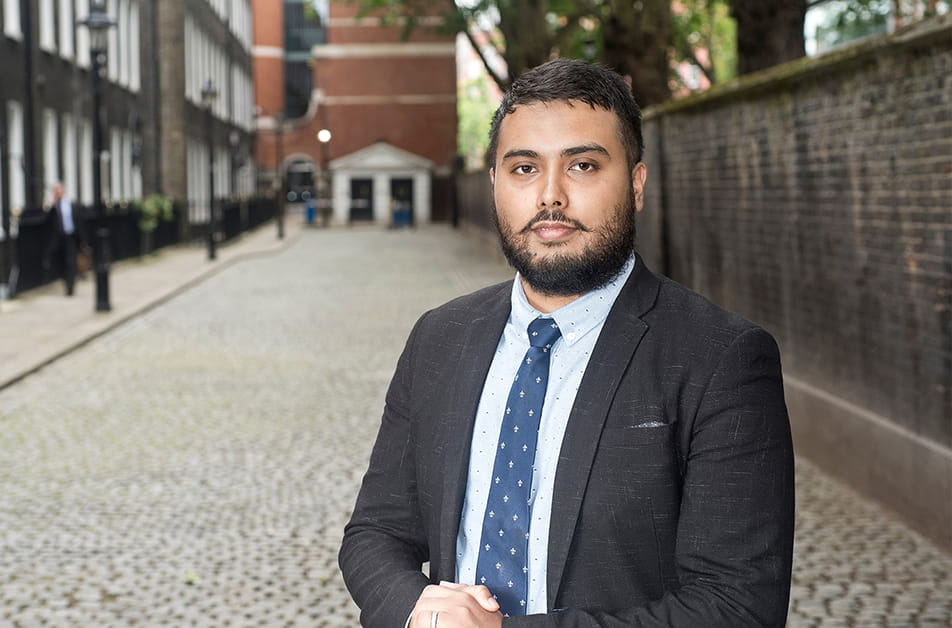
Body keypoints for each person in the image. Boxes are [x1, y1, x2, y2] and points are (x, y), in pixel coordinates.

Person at [339, 59, 794, 628]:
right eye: (524, 168)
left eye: (582, 165)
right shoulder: (439, 337)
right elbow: (377, 531)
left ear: (636, 184)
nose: (550, 196)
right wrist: (413, 608)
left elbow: (738, 607)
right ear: (496, 183)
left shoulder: (721, 359)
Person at [44, 182, 84, 296]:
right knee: (60, 262)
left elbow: (79, 222)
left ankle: (70, 286)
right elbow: (46, 222)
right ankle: (65, 281)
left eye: (59, 191)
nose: (58, 194)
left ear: (63, 191)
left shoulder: (71, 204)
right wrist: (52, 205)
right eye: (55, 192)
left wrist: (82, 240)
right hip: (58, 239)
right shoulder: (54, 207)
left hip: (70, 237)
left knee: (70, 262)